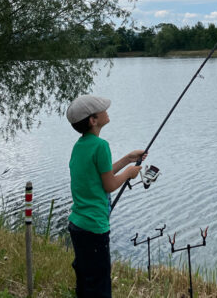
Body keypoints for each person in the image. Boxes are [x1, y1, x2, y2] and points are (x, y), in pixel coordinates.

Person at [66, 94, 144, 298]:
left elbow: (101, 174)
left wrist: (128, 159)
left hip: (77, 224)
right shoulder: (101, 146)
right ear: (93, 120)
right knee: (100, 284)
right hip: (94, 227)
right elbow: (109, 184)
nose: (107, 110)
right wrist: (129, 173)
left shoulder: (80, 146)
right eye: (103, 109)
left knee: (85, 278)